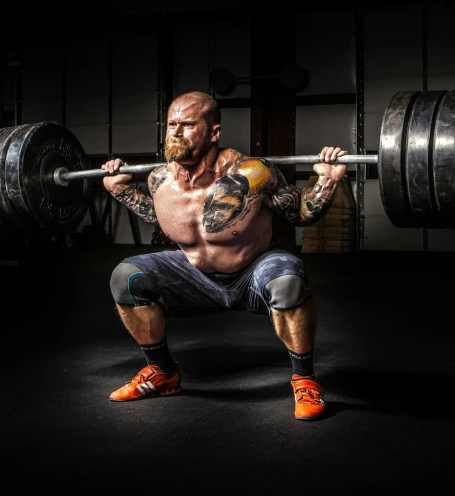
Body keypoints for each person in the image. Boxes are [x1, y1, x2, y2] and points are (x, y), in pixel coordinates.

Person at [101, 91, 348, 421]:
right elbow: (157, 215)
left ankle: (304, 379)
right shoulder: (158, 179)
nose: (175, 132)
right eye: (172, 124)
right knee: (126, 277)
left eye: (187, 125)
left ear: (214, 133)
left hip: (251, 270)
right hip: (193, 275)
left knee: (288, 280)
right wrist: (120, 190)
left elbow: (301, 212)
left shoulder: (255, 173)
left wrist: (328, 181)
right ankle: (162, 373)